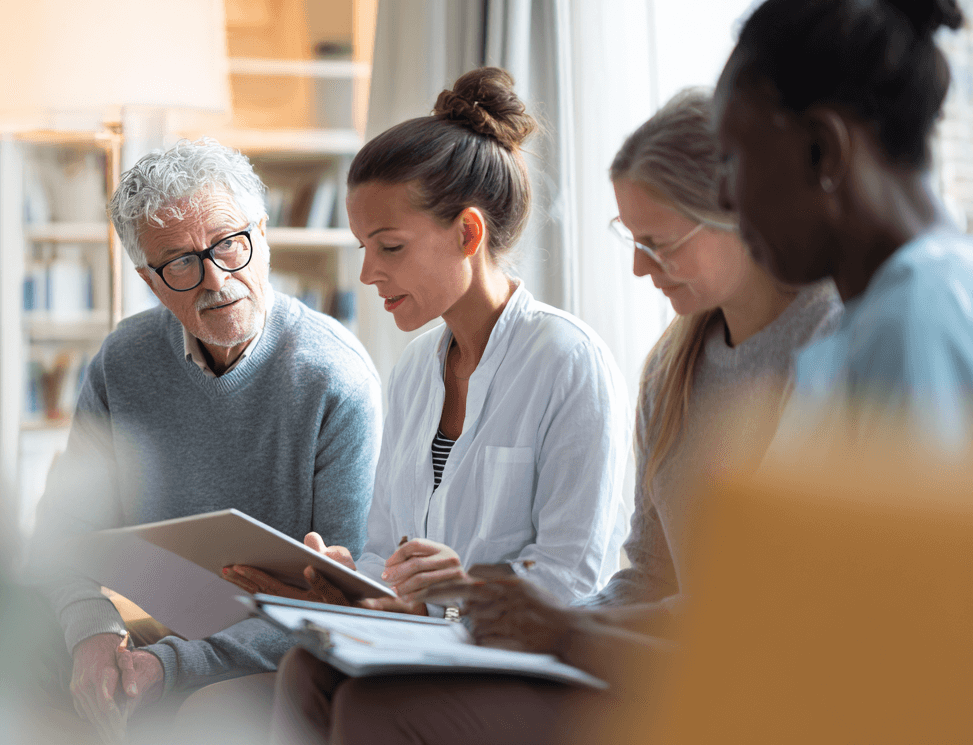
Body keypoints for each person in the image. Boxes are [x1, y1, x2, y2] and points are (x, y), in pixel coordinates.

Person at [270, 87, 842, 745]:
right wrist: (354, 589)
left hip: (705, 677)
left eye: (656, 241)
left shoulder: (827, 344)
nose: (634, 266)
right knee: (307, 671)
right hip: (603, 652)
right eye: (630, 239)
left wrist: (537, 621)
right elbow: (646, 572)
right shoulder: (673, 364)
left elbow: (759, 601)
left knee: (375, 710)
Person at [229, 66, 630, 614]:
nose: (368, 274)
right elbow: (386, 556)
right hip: (424, 648)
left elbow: (573, 576)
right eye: (362, 248)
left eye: (389, 247)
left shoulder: (569, 361)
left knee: (342, 696)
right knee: (304, 668)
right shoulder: (416, 369)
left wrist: (461, 590)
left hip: (517, 664)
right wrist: (345, 583)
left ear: (468, 233)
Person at [26, 138, 382, 740]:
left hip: (286, 644)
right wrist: (92, 634)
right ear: (148, 279)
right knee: (19, 654)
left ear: (263, 235)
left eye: (230, 245)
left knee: (205, 714)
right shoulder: (124, 360)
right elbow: (61, 533)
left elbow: (341, 604)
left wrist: (171, 666)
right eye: (181, 262)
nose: (216, 279)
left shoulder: (334, 377)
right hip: (165, 620)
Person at [714, 0, 973, 453]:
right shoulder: (896, 310)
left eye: (731, 160)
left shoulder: (914, 321)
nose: (724, 197)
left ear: (822, 149)